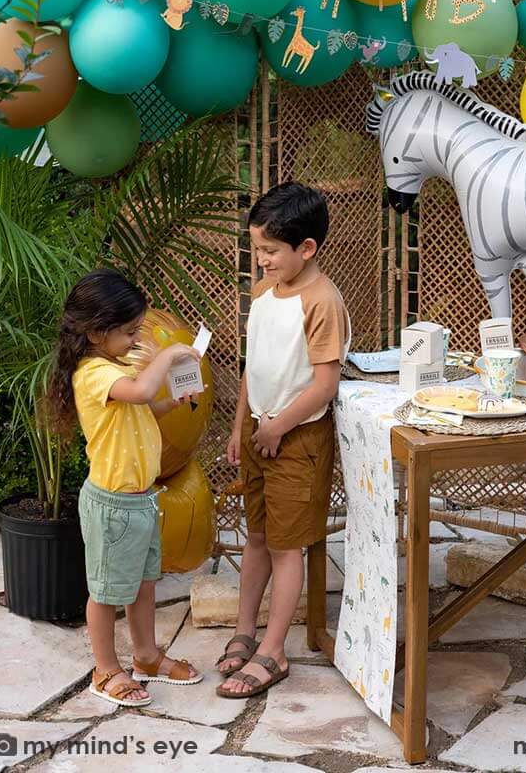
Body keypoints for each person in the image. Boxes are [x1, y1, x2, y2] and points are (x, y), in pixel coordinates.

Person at [216, 182, 350, 700]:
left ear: (307, 249)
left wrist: (277, 426)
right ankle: (245, 631)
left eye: (270, 251)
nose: (262, 261)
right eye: (257, 250)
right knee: (255, 535)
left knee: (285, 544)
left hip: (297, 437)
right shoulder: (263, 294)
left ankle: (274, 649)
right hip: (259, 431)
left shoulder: (322, 302)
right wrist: (241, 425)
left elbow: (324, 383)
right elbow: (256, 366)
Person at [46, 269, 203, 707]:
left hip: (141, 500)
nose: (137, 339)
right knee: (106, 591)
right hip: (112, 505)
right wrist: (168, 355)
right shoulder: (93, 373)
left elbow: (145, 403)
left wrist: (172, 400)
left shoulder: (115, 366)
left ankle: (147, 656)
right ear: (97, 332)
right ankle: (105, 668)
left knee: (143, 584)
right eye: (131, 331)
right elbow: (137, 391)